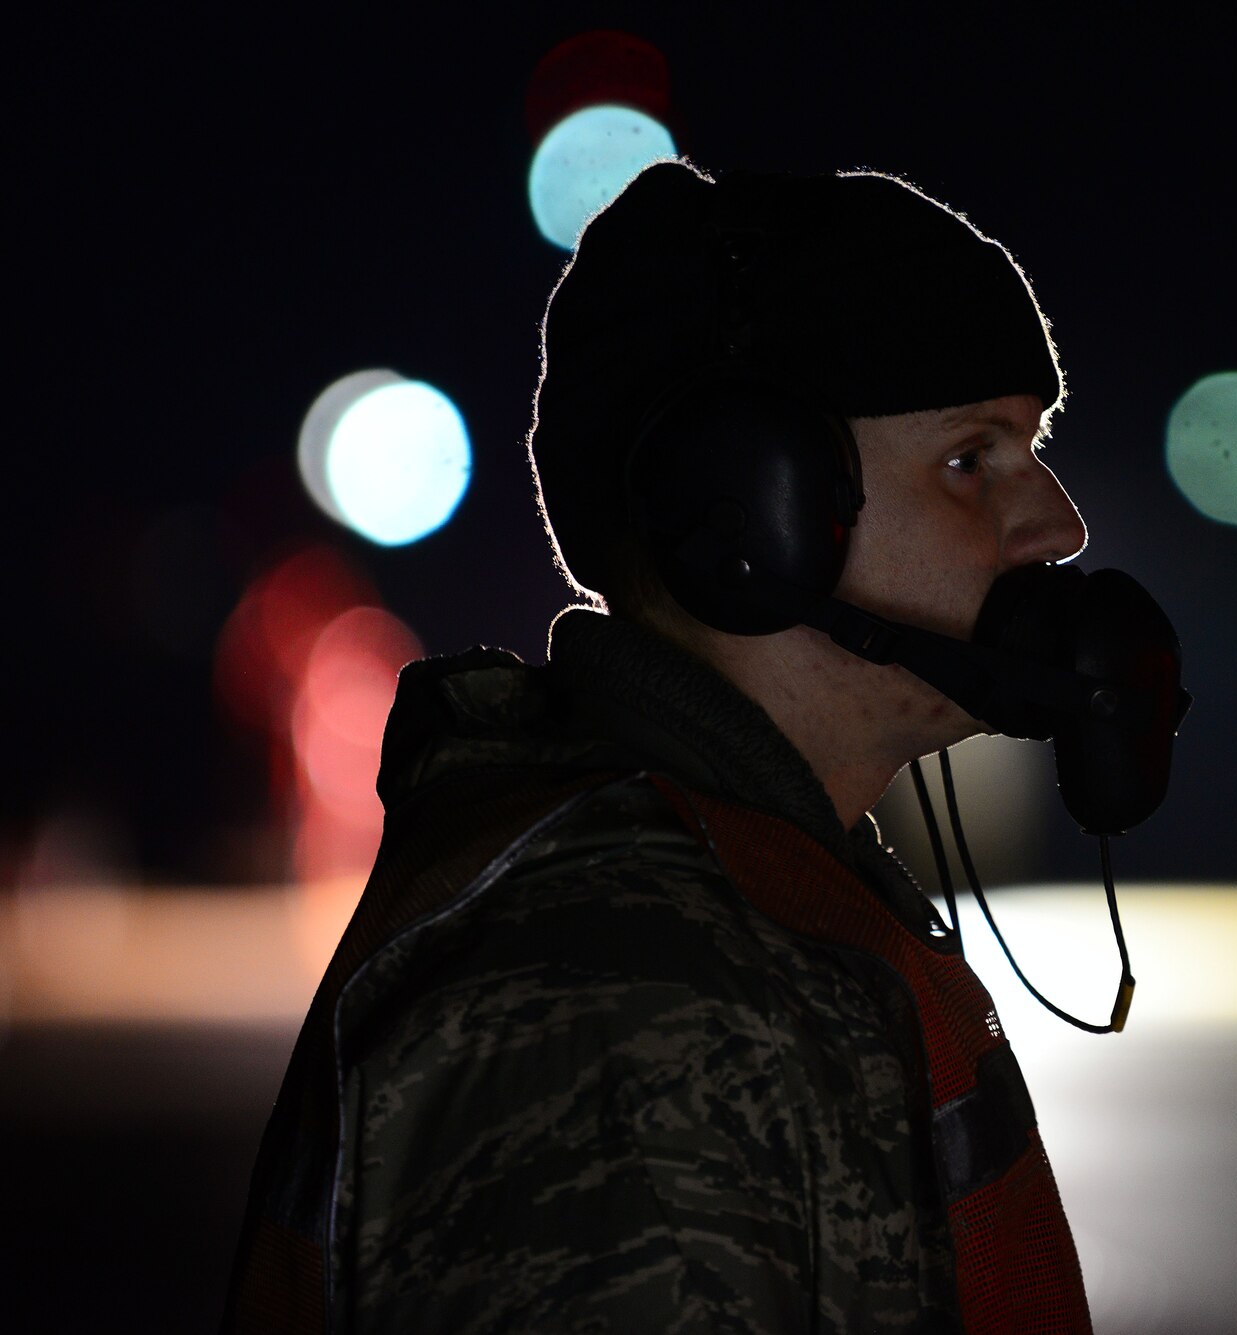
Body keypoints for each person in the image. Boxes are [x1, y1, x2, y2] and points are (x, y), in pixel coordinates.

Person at [220, 159, 1103, 1333]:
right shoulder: (614, 1000)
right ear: (751, 513)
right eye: (969, 461)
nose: (1056, 524)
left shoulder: (745, 898)